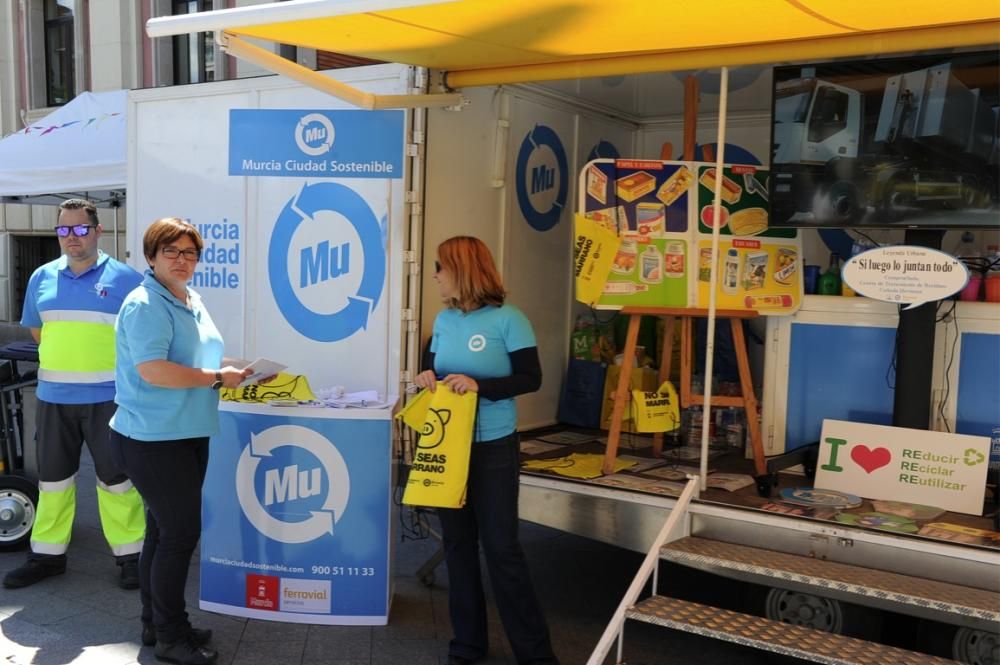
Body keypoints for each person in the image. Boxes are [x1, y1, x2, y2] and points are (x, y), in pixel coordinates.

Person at [108, 218, 250, 665]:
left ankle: (157, 624)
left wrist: (233, 369)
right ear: (151, 257)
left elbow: (189, 359)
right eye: (171, 251)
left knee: (163, 532)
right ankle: (171, 637)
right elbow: (153, 370)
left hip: (186, 431)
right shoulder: (146, 303)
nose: (182, 259)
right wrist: (215, 377)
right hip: (153, 437)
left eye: (190, 252)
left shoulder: (188, 298)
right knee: (178, 536)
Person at [414, 236, 559, 665]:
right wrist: (426, 378)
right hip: (447, 445)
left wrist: (482, 387)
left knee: (502, 549)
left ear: (461, 269)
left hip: (494, 447)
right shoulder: (442, 320)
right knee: (458, 547)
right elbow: (431, 367)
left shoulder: (509, 319)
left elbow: (530, 378)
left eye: (440, 267)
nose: (436, 275)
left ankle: (535, 656)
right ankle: (467, 646)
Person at [3, 199, 145, 590]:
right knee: (52, 482)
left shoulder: (127, 280)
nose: (72, 237)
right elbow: (37, 332)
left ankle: (131, 556)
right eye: (64, 230)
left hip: (108, 400)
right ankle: (47, 556)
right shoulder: (41, 278)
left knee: (118, 481)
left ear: (98, 231)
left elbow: (140, 339)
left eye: (80, 229)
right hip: (54, 398)